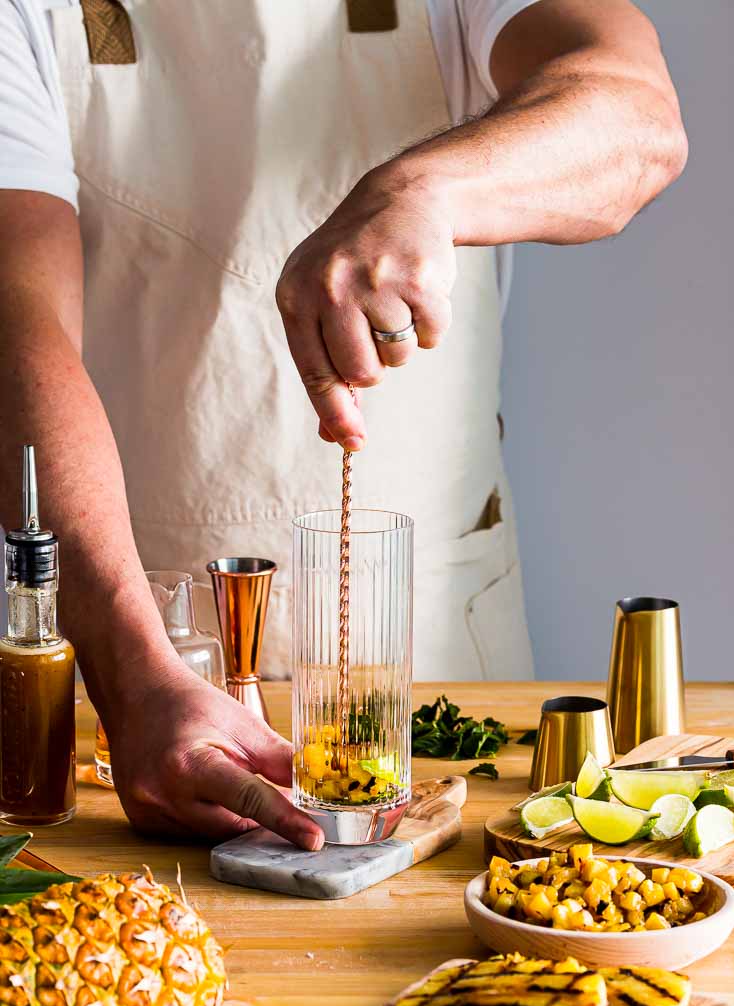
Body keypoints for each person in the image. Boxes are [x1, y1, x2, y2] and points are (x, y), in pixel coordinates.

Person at [0, 0, 686, 849]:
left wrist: (421, 190)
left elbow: (636, 120)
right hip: (135, 662)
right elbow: (18, 333)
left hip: (440, 662)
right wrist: (134, 674)